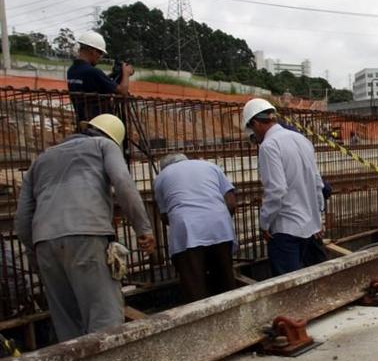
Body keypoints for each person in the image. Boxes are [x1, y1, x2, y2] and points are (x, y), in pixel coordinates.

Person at [15, 114, 155, 341]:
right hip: (88, 235)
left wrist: (37, 253)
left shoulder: (41, 159)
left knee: (67, 324)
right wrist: (143, 229)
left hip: (44, 243)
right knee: (104, 319)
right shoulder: (104, 145)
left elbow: (22, 221)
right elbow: (122, 182)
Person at [242, 98, 328, 277]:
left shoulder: (269, 146)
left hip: (285, 229)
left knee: (287, 286)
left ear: (256, 123)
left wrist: (264, 223)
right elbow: (317, 182)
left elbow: (276, 190)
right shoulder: (302, 140)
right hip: (308, 227)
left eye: (252, 129)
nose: (254, 135)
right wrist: (318, 217)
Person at [154, 153, 238, 303]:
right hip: (220, 226)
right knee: (225, 282)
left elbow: (165, 216)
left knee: (195, 288)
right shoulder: (210, 165)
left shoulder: (161, 177)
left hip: (187, 232)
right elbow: (231, 203)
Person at [67, 31, 133, 124]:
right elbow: (122, 91)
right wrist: (126, 73)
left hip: (83, 121)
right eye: (100, 52)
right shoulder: (93, 72)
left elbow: (95, 83)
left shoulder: (72, 70)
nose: (100, 57)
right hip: (100, 124)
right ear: (92, 51)